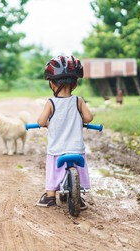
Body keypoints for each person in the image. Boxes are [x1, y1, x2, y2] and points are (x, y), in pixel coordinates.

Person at [35, 55, 94, 210]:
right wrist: (81, 121)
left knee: (53, 171)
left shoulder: (51, 103)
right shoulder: (78, 101)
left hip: (57, 150)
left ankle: (49, 197)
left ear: (52, 83)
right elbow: (88, 117)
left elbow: (41, 122)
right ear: (75, 83)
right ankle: (79, 197)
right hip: (76, 148)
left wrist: (48, 123)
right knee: (79, 169)